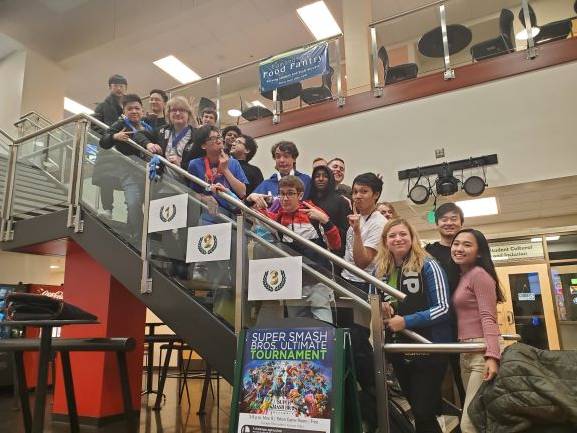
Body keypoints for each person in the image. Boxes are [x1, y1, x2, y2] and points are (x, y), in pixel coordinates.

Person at [376, 218, 451, 433]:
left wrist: (406, 321)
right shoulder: (381, 270)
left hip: (428, 348)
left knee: (423, 411)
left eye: (403, 234)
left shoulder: (428, 264)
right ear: (385, 241)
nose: (398, 239)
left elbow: (443, 308)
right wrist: (380, 307)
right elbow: (372, 302)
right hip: (398, 350)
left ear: (412, 238)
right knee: (420, 414)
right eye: (392, 235)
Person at [260, 175, 341, 323]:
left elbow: (336, 245)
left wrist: (325, 221)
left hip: (319, 281)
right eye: (282, 193)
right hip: (293, 283)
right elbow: (255, 214)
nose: (285, 198)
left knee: (325, 328)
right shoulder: (279, 218)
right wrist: (251, 199)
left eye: (290, 193)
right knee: (297, 328)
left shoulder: (314, 213)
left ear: (300, 195)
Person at [451, 229, 504, 433]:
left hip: (481, 352)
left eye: (467, 245)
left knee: (469, 424)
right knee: (478, 418)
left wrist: (492, 356)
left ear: (479, 252)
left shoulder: (479, 275)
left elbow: (488, 317)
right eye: (456, 243)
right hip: (466, 351)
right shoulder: (464, 276)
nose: (459, 248)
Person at [97, 94, 162, 232]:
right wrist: (115, 136)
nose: (134, 111)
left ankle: (137, 234)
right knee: (133, 203)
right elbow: (103, 141)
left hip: (148, 172)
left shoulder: (148, 127)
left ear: (142, 111)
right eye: (130, 109)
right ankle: (138, 236)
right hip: (129, 172)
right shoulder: (120, 124)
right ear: (124, 112)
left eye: (137, 108)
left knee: (148, 206)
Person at [425, 202, 466, 404]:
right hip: (438, 323)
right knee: (435, 377)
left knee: (465, 377)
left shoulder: (469, 249)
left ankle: (469, 418)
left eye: (453, 218)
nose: (449, 223)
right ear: (437, 223)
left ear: (461, 222)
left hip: (465, 323)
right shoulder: (428, 252)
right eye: (444, 219)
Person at [187, 125, 248, 222]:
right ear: (203, 145)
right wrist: (204, 198)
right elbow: (192, 193)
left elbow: (242, 192)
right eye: (213, 138)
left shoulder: (233, 163)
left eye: (219, 137)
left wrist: (225, 170)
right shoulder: (195, 164)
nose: (219, 141)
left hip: (233, 216)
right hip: (208, 213)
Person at [341, 173, 387, 292]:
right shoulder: (359, 216)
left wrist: (357, 231)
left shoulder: (379, 223)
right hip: (347, 277)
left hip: (363, 283)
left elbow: (362, 262)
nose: (357, 196)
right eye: (355, 192)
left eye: (364, 191)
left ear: (376, 194)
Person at [247, 141, 311, 209]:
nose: (281, 160)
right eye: (278, 157)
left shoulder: (306, 180)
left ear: (294, 159)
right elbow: (249, 207)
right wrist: (249, 199)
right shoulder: (266, 184)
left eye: (286, 156)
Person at [309, 165, 350, 258]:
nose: (321, 179)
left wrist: (327, 224)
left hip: (333, 253)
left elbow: (346, 232)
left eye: (325, 176)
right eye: (317, 176)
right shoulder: (308, 200)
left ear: (330, 179)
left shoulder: (341, 201)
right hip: (309, 251)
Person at [153, 96, 196, 172]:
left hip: (185, 178)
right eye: (174, 110)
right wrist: (149, 144)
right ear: (168, 114)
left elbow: (201, 164)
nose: (178, 113)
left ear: (188, 114)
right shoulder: (162, 131)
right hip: (163, 178)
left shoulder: (197, 135)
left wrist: (181, 165)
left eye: (182, 110)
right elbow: (140, 135)